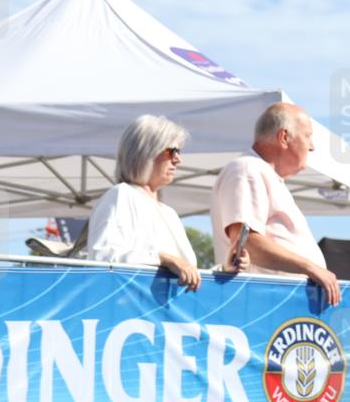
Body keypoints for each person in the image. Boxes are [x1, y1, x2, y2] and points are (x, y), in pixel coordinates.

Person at [86, 115, 246, 294]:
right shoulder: (121, 195)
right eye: (171, 151)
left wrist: (224, 269)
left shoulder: (168, 213)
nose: (178, 159)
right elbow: (102, 257)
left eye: (179, 152)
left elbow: (188, 275)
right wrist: (164, 259)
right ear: (146, 152)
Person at [210, 102, 340, 305]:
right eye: (307, 136)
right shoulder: (248, 169)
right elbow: (246, 243)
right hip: (263, 304)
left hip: (276, 303)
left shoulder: (261, 173)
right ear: (284, 137)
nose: (312, 146)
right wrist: (310, 268)